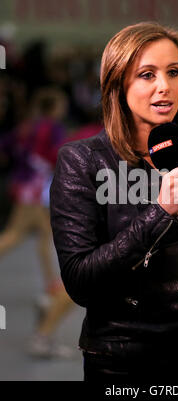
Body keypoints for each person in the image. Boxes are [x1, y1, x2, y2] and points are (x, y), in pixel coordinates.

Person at [50, 22, 178, 382]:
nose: (165, 86)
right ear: (118, 83)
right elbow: (80, 281)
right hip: (119, 361)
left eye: (173, 72)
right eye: (147, 74)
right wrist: (160, 213)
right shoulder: (83, 161)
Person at [0, 87, 74, 358]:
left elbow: (6, 146)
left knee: (46, 236)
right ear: (54, 106)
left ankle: (51, 282)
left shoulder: (28, 125)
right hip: (35, 188)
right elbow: (59, 156)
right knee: (15, 234)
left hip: (28, 185)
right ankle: (54, 284)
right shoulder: (51, 127)